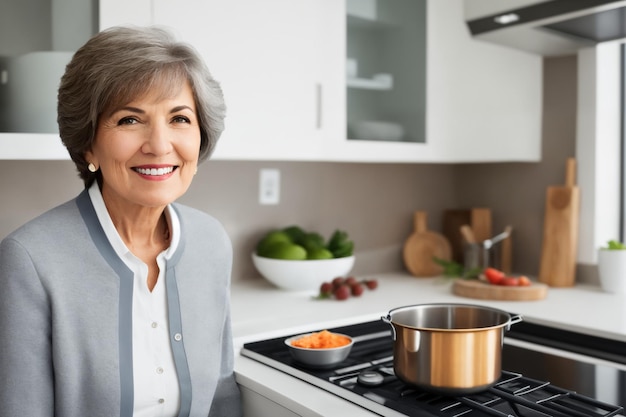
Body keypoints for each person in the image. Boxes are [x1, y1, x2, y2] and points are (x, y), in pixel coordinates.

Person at [0, 26, 242, 417]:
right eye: (130, 120)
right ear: (88, 142)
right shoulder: (29, 260)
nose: (160, 145)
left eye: (179, 118)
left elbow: (222, 393)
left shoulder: (211, 241)